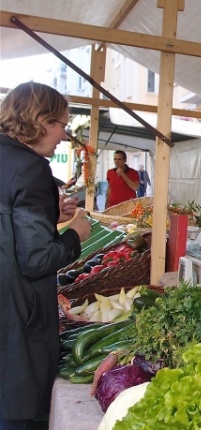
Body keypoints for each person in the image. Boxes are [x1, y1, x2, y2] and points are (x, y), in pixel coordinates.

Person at [0, 82, 92, 428]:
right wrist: (74, 234)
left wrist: (49, 215)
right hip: (15, 317)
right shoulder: (32, 169)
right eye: (62, 125)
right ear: (41, 122)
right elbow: (36, 258)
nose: (64, 136)